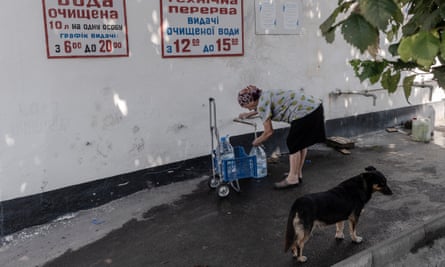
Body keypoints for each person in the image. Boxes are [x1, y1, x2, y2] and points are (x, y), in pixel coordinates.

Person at [237, 85, 326, 189]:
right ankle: (297, 174)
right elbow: (264, 108)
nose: (247, 109)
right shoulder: (264, 95)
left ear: (251, 101)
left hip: (305, 112)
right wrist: (249, 115)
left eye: (246, 106)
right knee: (300, 143)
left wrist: (256, 141)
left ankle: (292, 178)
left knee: (293, 142)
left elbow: (268, 132)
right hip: (314, 107)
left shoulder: (262, 105)